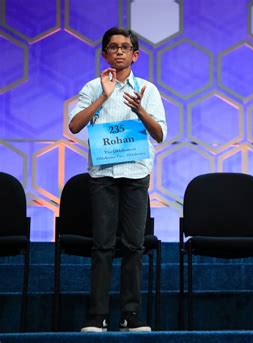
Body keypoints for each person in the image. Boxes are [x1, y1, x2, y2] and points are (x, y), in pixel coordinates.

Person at [69, 27, 167, 332]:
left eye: (126, 47)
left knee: (134, 245)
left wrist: (139, 110)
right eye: (113, 47)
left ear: (135, 55)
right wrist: (104, 97)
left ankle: (130, 314)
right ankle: (97, 315)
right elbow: (74, 126)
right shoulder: (91, 87)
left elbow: (160, 134)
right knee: (102, 245)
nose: (119, 51)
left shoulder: (147, 90)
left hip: (136, 173)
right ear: (104, 54)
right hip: (103, 175)